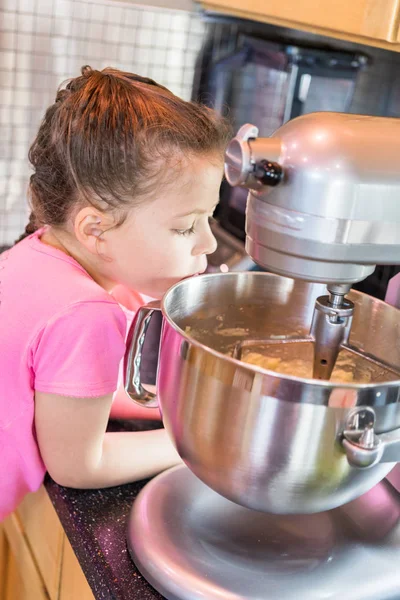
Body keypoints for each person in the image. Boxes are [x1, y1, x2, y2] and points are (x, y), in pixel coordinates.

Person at [0, 65, 231, 521]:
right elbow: (79, 464)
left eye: (209, 217)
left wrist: (179, 409)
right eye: (185, 226)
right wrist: (201, 444)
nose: (207, 243)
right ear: (96, 229)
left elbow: (72, 393)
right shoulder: (86, 313)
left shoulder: (36, 249)